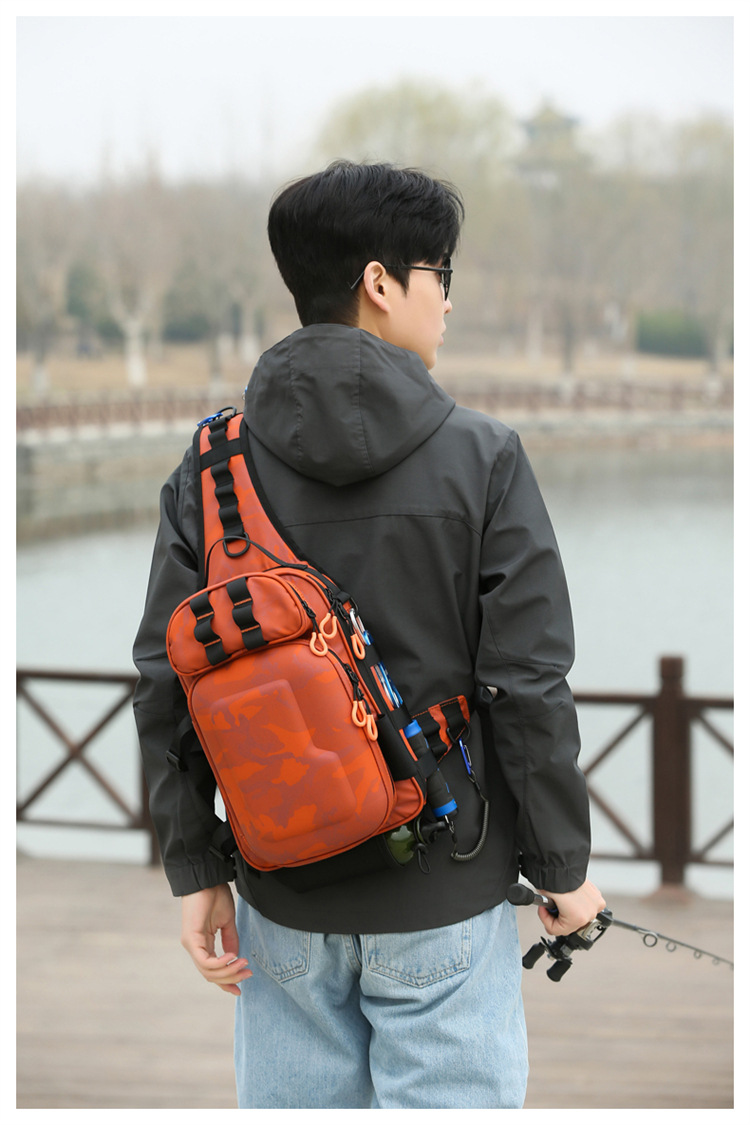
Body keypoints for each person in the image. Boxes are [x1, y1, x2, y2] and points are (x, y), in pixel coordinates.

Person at [133, 160, 605, 1110]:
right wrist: (562, 870)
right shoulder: (482, 456)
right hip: (446, 887)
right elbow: (526, 683)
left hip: (282, 895)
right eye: (441, 274)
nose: (448, 300)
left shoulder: (214, 465)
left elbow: (165, 677)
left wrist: (196, 867)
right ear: (381, 282)